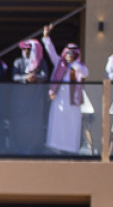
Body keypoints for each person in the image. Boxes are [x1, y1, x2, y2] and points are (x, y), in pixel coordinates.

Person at [42, 24, 89, 155]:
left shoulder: (79, 66)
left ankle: (71, 149)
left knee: (72, 124)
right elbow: (50, 50)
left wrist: (73, 62)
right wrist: (46, 36)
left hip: (73, 101)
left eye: (73, 53)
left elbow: (85, 73)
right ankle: (56, 147)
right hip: (59, 99)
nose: (70, 54)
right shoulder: (59, 63)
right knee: (58, 123)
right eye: (68, 52)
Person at [9, 37, 50, 155]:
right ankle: (18, 149)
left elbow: (45, 76)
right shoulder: (18, 62)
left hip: (35, 100)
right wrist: (25, 79)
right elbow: (14, 77)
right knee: (19, 125)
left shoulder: (41, 62)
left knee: (34, 126)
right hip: (20, 101)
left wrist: (35, 78)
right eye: (25, 49)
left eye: (29, 49)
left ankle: (34, 150)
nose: (27, 52)